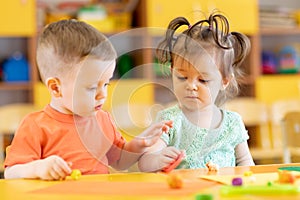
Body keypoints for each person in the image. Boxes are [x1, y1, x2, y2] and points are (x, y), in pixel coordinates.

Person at [4, 19, 172, 180]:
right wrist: (37, 168)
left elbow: (120, 162)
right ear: (56, 88)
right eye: (92, 87)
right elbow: (11, 172)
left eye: (106, 84)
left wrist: (138, 144)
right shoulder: (35, 126)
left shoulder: (103, 120)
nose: (103, 95)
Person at [138, 13, 255, 172]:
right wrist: (157, 160)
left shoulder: (233, 123)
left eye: (203, 80)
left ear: (224, 81)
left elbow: (246, 163)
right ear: (172, 72)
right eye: (182, 77)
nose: (191, 85)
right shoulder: (169, 120)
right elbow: (144, 163)